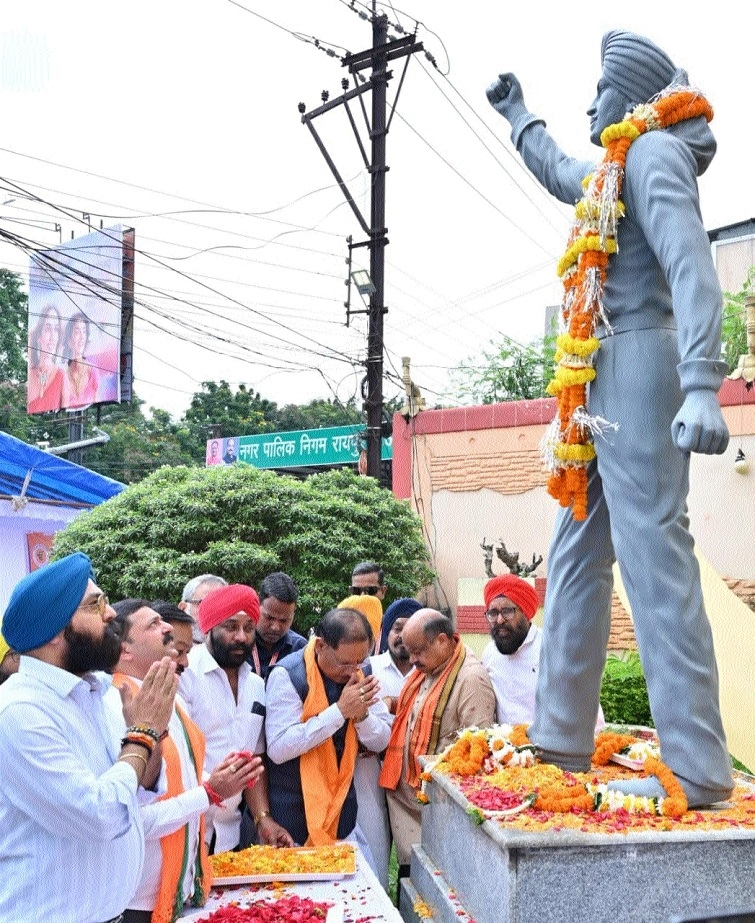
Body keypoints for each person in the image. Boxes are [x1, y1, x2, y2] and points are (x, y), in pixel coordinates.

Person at [486, 30, 733, 806]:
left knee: (653, 558)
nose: (587, 103)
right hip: (595, 376)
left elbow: (694, 269)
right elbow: (560, 169)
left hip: (642, 368)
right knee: (575, 554)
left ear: (627, 98)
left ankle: (696, 767)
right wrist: (518, 116)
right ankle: (558, 735)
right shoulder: (611, 171)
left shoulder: (654, 157)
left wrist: (701, 383)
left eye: (597, 90)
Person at [0, 552, 178, 922]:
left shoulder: (100, 693)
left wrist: (148, 735)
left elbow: (138, 791)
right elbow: (98, 817)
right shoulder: (20, 711)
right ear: (54, 631)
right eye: (95, 605)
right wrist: (142, 735)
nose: (111, 614)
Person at [107, 599, 262, 923]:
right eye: (153, 625)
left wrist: (218, 781)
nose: (165, 628)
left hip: (181, 883)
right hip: (137, 897)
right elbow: (130, 818)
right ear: (124, 651)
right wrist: (209, 793)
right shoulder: (113, 706)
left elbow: (185, 778)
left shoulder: (169, 701)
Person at [265, 607, 392, 866]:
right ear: (321, 646)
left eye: (361, 661)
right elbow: (278, 748)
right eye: (345, 663)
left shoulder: (360, 673)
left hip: (342, 814)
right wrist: (339, 712)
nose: (352, 671)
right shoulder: (288, 675)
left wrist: (362, 717)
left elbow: (382, 740)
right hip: (293, 819)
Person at [380, 609, 496, 881]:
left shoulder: (471, 679)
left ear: (442, 640)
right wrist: (393, 703)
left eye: (418, 651)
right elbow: (421, 708)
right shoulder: (430, 668)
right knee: (410, 882)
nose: (412, 660)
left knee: (429, 887)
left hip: (436, 810)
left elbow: (477, 752)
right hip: (409, 800)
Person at [179, 583, 293, 853]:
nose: (241, 636)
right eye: (230, 627)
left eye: (248, 628)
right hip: (187, 829)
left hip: (229, 835)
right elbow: (176, 756)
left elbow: (253, 759)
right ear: (209, 627)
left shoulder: (255, 684)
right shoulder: (185, 676)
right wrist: (213, 787)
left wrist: (263, 819)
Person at [355, 597, 421, 890]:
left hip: (412, 783)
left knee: (414, 859)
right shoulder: (370, 668)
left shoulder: (428, 673)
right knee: (375, 854)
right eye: (396, 628)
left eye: (409, 629)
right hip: (371, 776)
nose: (401, 636)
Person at [247, 572, 306, 681]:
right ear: (257, 606)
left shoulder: (300, 649)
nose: (276, 627)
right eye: (269, 618)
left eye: (284, 620)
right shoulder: (239, 642)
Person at [27, 304, 63, 413]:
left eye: (56, 329)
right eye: (48, 329)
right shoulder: (31, 373)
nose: (53, 337)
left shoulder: (61, 375)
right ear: (39, 336)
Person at [60, 310, 100, 410]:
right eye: (77, 332)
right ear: (69, 341)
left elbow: (96, 404)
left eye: (84, 332)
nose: (82, 337)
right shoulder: (62, 374)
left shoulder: (93, 371)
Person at [179, 573, 227, 644]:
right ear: (183, 608)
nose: (214, 612)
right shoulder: (167, 649)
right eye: (205, 604)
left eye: (221, 605)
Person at [150, 599, 195, 675]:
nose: (185, 663)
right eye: (178, 652)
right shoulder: (125, 684)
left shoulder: (188, 679)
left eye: (187, 652)